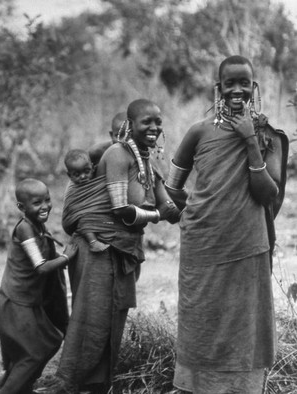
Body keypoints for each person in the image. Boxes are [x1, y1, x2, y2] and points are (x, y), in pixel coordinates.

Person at [164, 55, 288, 394]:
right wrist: (188, 217)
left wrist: (250, 140)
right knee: (201, 317)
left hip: (247, 244)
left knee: (243, 322)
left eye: (244, 83)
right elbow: (173, 186)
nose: (237, 91)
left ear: (254, 87)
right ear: (218, 88)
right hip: (202, 244)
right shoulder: (199, 132)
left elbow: (267, 194)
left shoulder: (267, 136)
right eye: (229, 83)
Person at [51, 99, 181, 394]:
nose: (153, 127)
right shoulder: (117, 154)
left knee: (112, 322)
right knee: (90, 320)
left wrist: (195, 210)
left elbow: (169, 209)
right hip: (97, 250)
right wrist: (161, 215)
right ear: (130, 126)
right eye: (146, 122)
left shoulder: (149, 161)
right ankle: (67, 384)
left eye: (157, 122)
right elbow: (123, 209)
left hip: (124, 250)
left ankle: (97, 385)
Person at [0, 178, 78, 394]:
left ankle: (21, 386)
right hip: (17, 300)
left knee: (44, 342)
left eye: (47, 200)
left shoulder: (37, 225)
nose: (44, 206)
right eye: (37, 203)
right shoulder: (25, 229)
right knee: (35, 351)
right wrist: (66, 258)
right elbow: (40, 267)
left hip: (28, 299)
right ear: (21, 207)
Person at [63, 149, 109, 253]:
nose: (83, 176)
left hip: (101, 218)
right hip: (80, 219)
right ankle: (93, 243)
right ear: (69, 176)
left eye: (86, 171)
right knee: (84, 221)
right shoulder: (73, 190)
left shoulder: (97, 177)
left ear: (93, 168)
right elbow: (73, 208)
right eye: (76, 174)